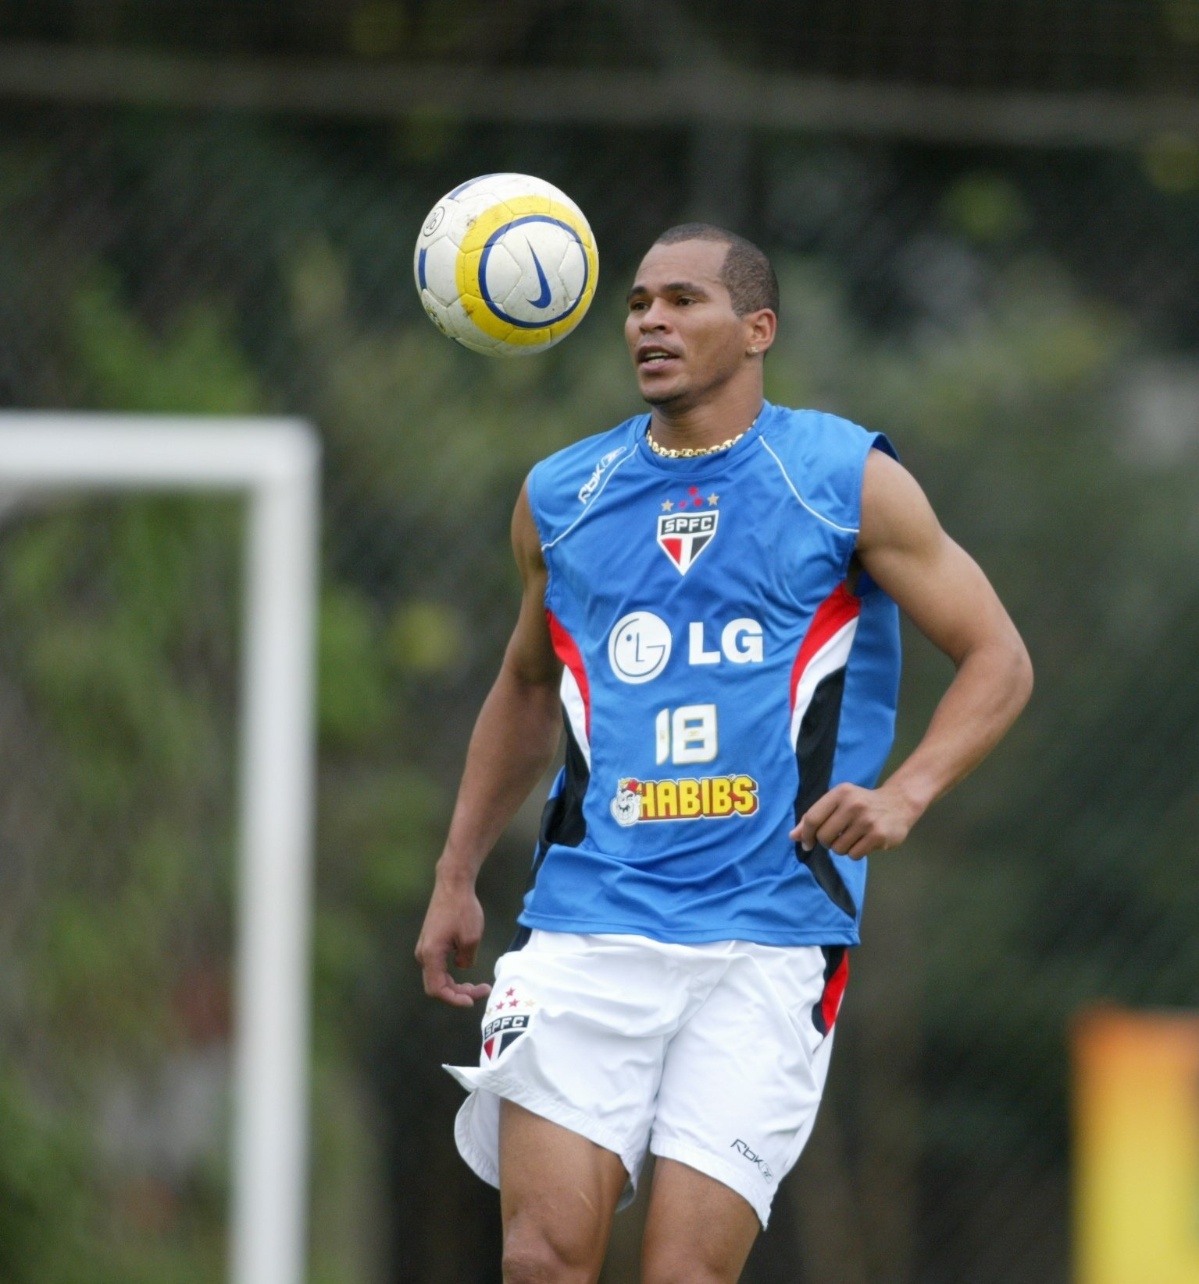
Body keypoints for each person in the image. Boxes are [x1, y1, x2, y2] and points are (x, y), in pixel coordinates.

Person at [413, 222, 1032, 1284]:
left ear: (759, 329)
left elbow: (998, 657)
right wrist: (457, 869)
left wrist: (908, 793)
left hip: (771, 938)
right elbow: (526, 682)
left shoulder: (841, 476)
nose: (651, 320)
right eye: (639, 302)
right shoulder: (563, 495)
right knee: (541, 1260)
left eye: (684, 300)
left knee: (685, 1276)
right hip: (588, 924)